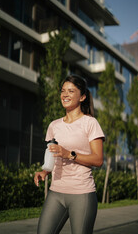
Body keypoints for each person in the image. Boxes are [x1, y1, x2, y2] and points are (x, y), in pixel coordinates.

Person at [34, 75, 105, 234]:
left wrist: (69, 154)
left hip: (82, 194)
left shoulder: (90, 123)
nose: (65, 95)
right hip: (56, 192)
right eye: (63, 91)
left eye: (71, 91)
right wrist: (44, 171)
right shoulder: (54, 125)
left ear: (82, 96)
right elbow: (53, 155)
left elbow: (98, 159)